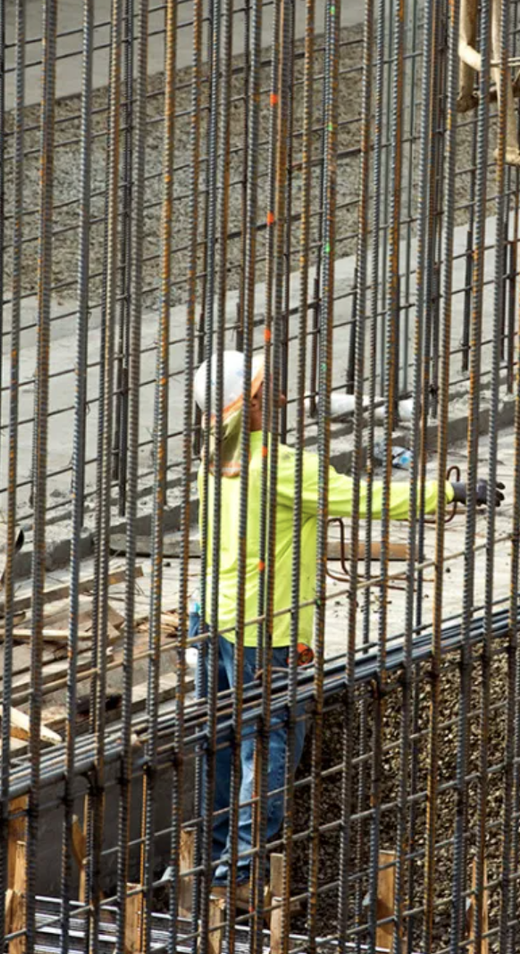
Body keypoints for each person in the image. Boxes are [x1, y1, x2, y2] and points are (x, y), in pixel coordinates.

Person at [188, 350, 501, 903]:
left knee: (220, 741)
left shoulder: (213, 456)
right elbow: (366, 498)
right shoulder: (283, 467)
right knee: (268, 743)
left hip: (211, 618)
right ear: (253, 401)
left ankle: (213, 860)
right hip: (268, 631)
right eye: (268, 389)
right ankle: (239, 873)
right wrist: (447, 493)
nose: (279, 397)